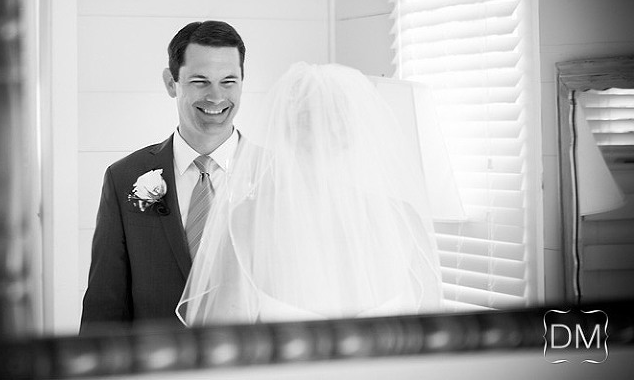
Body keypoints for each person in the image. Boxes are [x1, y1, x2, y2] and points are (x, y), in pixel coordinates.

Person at [177, 62, 444, 326]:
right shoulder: (402, 219)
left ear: (283, 131)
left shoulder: (248, 221)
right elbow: (435, 338)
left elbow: (225, 344)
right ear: (353, 133)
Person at [80, 20, 247, 332]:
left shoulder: (278, 175)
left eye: (228, 81)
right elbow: (105, 305)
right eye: (200, 81)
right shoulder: (124, 177)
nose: (216, 97)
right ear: (171, 82)